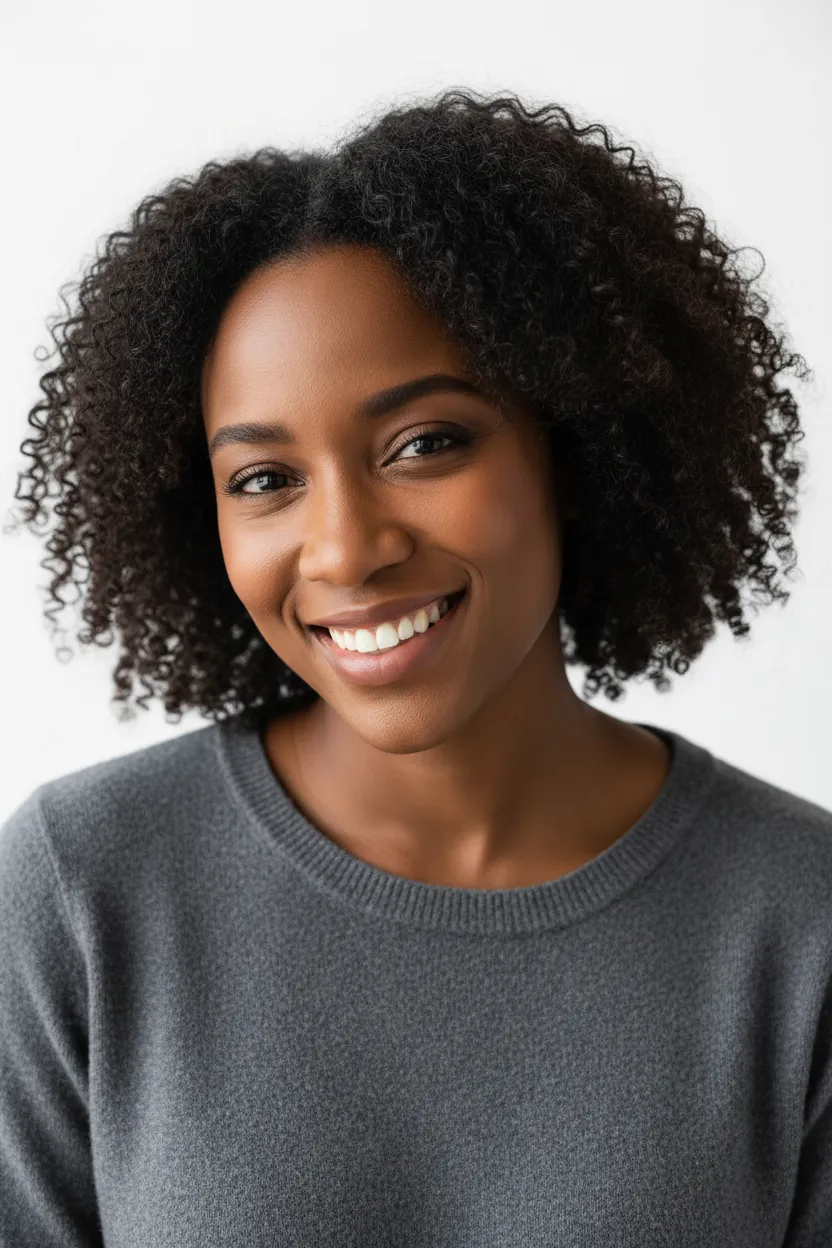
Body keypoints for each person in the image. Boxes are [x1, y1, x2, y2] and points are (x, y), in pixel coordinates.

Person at [1, 88, 829, 1246]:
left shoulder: (801, 920)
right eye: (263, 479)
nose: (345, 547)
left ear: (577, 448)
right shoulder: (83, 891)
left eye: (425, 444)